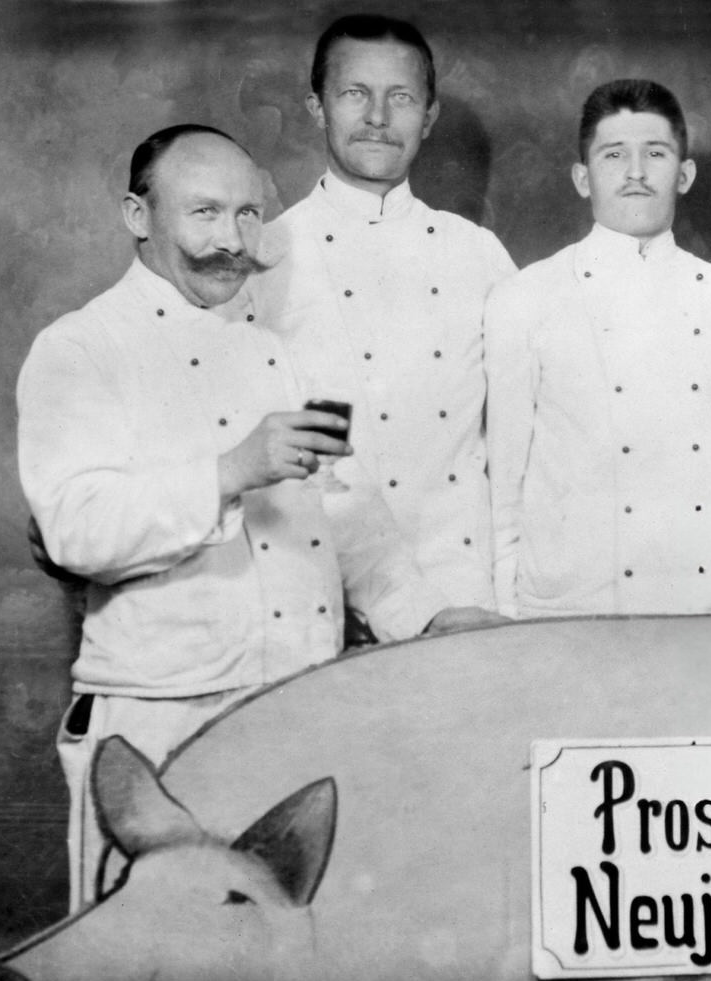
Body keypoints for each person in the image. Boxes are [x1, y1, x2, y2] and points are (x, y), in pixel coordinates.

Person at [17, 125, 458, 909]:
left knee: (279, 975)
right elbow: (74, 529)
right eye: (206, 214)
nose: (232, 241)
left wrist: (431, 622)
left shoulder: (276, 355)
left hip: (290, 711)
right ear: (137, 215)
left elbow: (347, 520)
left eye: (249, 215)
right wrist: (229, 472)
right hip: (155, 731)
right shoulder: (79, 349)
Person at [254, 13, 516, 626]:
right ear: (317, 107)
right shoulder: (267, 258)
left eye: (400, 97)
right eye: (354, 94)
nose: (377, 117)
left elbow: (519, 443)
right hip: (318, 598)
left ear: (428, 116)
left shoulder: (479, 254)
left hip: (468, 602)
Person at [483, 79, 711, 617]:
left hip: (710, 603)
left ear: (683, 175)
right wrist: (507, 619)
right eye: (614, 155)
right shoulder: (526, 297)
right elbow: (505, 480)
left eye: (655, 153)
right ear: (582, 178)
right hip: (573, 606)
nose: (635, 172)